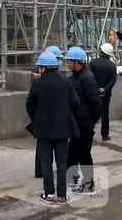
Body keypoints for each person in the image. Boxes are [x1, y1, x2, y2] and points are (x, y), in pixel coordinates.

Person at [26, 51, 80, 205]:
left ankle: (49, 194)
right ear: (55, 66)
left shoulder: (37, 83)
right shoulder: (66, 83)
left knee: (46, 162)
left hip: (43, 129)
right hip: (63, 130)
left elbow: (29, 105)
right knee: (62, 163)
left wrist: (36, 119)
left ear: (43, 67)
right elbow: (76, 103)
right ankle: (62, 195)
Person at [65, 47, 101, 194]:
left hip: (84, 124)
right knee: (72, 153)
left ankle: (88, 184)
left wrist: (92, 121)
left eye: (69, 61)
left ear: (77, 62)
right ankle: (71, 179)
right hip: (76, 123)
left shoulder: (87, 78)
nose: (67, 64)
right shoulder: (76, 76)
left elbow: (96, 102)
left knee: (84, 154)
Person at [32, 45, 66, 179]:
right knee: (46, 150)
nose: (59, 61)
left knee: (43, 147)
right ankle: (42, 173)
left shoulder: (43, 71)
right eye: (58, 58)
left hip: (43, 117)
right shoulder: (40, 73)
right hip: (48, 116)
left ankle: (41, 172)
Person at [89, 43, 117, 141]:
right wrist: (105, 89)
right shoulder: (112, 66)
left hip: (93, 92)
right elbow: (113, 80)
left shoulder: (93, 63)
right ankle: (105, 135)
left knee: (91, 112)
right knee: (105, 113)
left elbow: (90, 77)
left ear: (101, 52)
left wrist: (96, 88)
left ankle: (90, 132)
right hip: (106, 94)